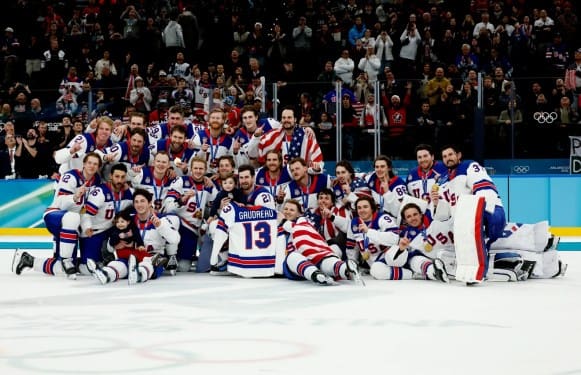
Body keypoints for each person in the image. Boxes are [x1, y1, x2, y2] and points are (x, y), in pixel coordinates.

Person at [13, 152, 103, 279]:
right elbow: (60, 202)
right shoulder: (71, 176)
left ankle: (30, 261)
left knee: (63, 270)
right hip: (55, 214)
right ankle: (66, 260)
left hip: (72, 224)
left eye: (95, 164)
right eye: (89, 163)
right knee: (73, 217)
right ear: (84, 163)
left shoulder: (96, 180)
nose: (92, 166)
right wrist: (75, 196)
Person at [87, 188, 181, 282]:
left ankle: (139, 274)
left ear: (149, 203)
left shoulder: (161, 219)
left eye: (142, 201)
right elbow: (110, 243)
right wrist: (114, 245)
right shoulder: (127, 220)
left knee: (147, 265)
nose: (139, 205)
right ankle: (106, 274)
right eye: (136, 202)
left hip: (152, 258)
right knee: (118, 264)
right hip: (130, 256)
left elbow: (175, 239)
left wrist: (160, 226)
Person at [279, 199, 362, 285]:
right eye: (285, 209)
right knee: (293, 257)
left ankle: (344, 269)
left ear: (299, 214)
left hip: (312, 256)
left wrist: (284, 222)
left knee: (321, 257)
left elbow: (295, 228)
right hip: (300, 266)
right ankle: (320, 274)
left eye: (292, 210)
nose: (287, 212)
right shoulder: (275, 227)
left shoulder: (303, 222)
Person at [164, 156, 218, 272]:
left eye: (201, 169)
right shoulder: (181, 181)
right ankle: (166, 256)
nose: (198, 171)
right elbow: (168, 207)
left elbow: (216, 206)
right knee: (171, 218)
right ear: (191, 169)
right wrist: (182, 200)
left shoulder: (208, 186)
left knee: (184, 267)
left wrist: (213, 187)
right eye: (196, 168)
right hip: (180, 225)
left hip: (193, 229)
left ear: (205, 170)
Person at [79, 163, 134, 273]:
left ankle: (124, 259)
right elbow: (85, 211)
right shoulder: (100, 191)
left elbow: (141, 207)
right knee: (88, 268)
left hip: (113, 231)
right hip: (95, 232)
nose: (120, 180)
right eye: (117, 176)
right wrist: (87, 227)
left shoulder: (129, 193)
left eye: (123, 177)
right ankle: (75, 263)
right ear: (110, 176)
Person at [376, 201, 450, 282]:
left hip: (447, 251)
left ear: (421, 214)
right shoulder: (405, 235)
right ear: (405, 221)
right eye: (409, 216)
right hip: (428, 260)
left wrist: (436, 204)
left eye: (415, 214)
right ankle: (434, 272)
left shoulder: (432, 218)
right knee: (414, 260)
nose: (413, 218)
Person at [258, 107, 323, 172]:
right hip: (281, 177)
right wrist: (256, 136)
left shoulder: (306, 135)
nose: (286, 120)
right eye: (284, 118)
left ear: (295, 119)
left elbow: (317, 160)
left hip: (301, 176)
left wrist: (314, 169)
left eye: (289, 117)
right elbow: (258, 147)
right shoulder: (274, 135)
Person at [346, 195, 399, 274]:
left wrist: (369, 232)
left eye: (365, 207)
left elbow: (395, 239)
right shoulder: (354, 223)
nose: (362, 210)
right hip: (374, 264)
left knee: (377, 271)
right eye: (359, 208)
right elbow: (352, 247)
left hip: (391, 258)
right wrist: (353, 263)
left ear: (372, 208)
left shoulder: (383, 218)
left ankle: (408, 273)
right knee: (376, 271)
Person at [304, 188, 350, 259]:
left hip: (337, 247)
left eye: (326, 198)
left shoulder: (339, 210)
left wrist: (331, 217)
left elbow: (347, 227)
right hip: (316, 247)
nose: (323, 201)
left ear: (332, 202)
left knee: (333, 250)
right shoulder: (311, 214)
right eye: (321, 198)